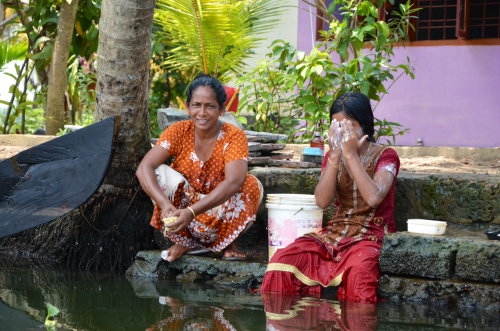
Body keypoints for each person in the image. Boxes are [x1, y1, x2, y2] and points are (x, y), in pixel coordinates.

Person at [260, 92, 400, 302]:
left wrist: (351, 155)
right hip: (335, 233)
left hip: (371, 236)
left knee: (359, 277)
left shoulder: (386, 155)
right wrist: (335, 153)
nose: (343, 132)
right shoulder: (332, 156)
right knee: (281, 262)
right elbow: (322, 202)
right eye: (337, 126)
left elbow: (373, 198)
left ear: (365, 125)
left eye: (349, 125)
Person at [136, 74, 263, 262]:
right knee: (158, 172)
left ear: (222, 109)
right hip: (182, 217)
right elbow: (144, 167)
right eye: (196, 105)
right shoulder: (179, 131)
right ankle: (185, 242)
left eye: (210, 106)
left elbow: (234, 182)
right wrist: (164, 204)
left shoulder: (234, 136)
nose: (202, 113)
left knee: (251, 184)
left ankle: (228, 242)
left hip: (217, 213)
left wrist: (192, 212)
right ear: (187, 107)